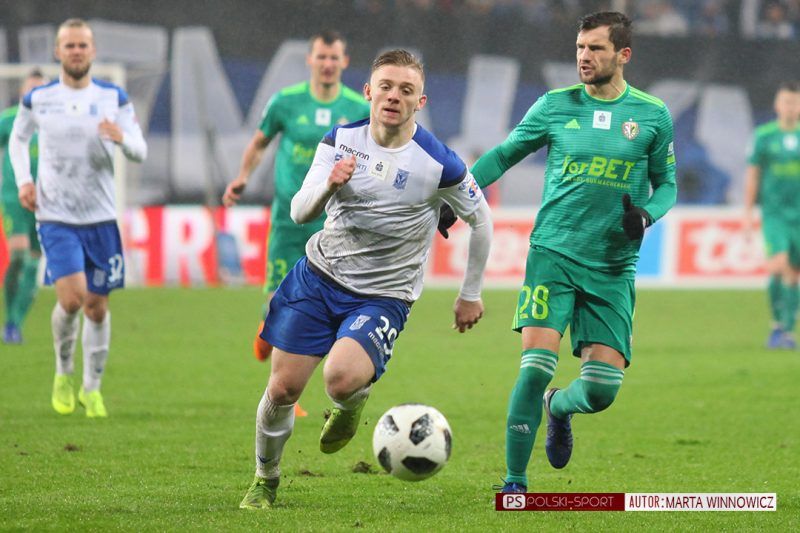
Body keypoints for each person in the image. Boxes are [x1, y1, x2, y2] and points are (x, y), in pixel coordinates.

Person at [238, 49, 493, 509]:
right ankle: (265, 479)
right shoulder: (340, 139)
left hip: (383, 295)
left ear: (420, 102)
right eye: (387, 87)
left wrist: (470, 294)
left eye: (406, 90)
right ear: (369, 91)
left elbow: (482, 220)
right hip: (318, 278)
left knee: (340, 380)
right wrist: (329, 185)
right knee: (282, 389)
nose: (394, 96)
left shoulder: (440, 163)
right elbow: (299, 212)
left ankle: (350, 405)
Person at [470, 11, 677, 493]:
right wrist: (461, 195)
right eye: (580, 47)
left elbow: (666, 184)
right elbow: (503, 155)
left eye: (596, 48)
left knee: (602, 391)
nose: (584, 56)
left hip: (613, 265)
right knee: (534, 368)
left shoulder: (652, 114)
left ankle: (559, 406)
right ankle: (514, 483)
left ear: (623, 55)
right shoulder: (554, 105)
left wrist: (646, 214)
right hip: (553, 255)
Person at [10, 18, 147, 417]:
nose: (75, 51)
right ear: (58, 52)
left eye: (82, 45)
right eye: (69, 45)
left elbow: (139, 150)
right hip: (56, 216)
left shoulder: (113, 97)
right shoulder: (39, 99)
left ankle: (92, 389)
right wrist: (24, 181)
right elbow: (18, 139)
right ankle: (63, 372)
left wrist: (121, 138)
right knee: (71, 300)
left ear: (92, 51)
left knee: (97, 308)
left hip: (100, 218)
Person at [222, 31, 370, 374]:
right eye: (322, 57)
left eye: (334, 57)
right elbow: (259, 143)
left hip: (334, 225)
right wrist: (242, 177)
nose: (327, 64)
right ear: (310, 60)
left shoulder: (358, 109)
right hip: (289, 222)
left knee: (324, 308)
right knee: (279, 303)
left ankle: (291, 390)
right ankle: (268, 321)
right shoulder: (285, 103)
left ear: (344, 62)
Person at [744, 81, 800, 350]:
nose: (791, 107)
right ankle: (778, 325)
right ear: (778, 105)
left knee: (793, 273)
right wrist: (747, 212)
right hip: (775, 215)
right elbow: (753, 175)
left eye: (795, 102)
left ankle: (785, 331)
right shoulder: (764, 136)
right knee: (778, 265)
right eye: (787, 101)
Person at [1, 70, 45, 344]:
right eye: (31, 89)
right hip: (14, 197)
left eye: (40, 90)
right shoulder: (9, 119)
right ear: (22, 93)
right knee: (18, 256)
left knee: (33, 263)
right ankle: (11, 320)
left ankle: (13, 323)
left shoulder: (53, 123)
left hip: (47, 202)